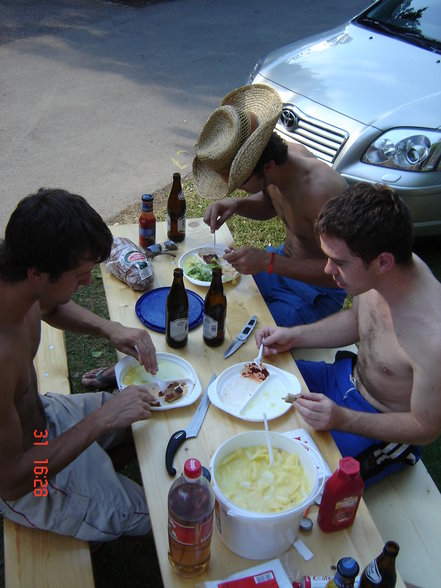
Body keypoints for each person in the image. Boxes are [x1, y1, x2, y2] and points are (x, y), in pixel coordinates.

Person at [0, 188, 159, 541]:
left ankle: (100, 466)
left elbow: (50, 307)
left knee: (152, 407)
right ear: (37, 274)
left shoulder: (17, 280)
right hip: (35, 481)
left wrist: (111, 329)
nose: (88, 281)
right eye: (80, 274)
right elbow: (12, 481)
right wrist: (102, 420)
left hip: (43, 419)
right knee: (165, 512)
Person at [256, 183, 441, 486]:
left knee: (301, 482)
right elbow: (357, 321)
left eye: (339, 262)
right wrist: (294, 335)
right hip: (342, 379)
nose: (328, 270)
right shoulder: (379, 274)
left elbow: (426, 427)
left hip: (378, 426)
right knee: (254, 381)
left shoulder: (433, 336)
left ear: (383, 262)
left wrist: (343, 419)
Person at [194, 84, 348, 327]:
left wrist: (268, 262)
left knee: (246, 329)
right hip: (279, 268)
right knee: (217, 301)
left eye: (240, 182)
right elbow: (274, 205)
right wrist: (237, 204)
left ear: (267, 167)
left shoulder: (323, 193)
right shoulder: (279, 168)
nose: (238, 188)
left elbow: (342, 273)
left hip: (317, 293)